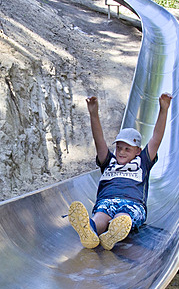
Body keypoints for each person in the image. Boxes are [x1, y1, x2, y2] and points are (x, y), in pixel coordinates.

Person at [69, 93, 172, 250]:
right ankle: (91, 231)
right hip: (107, 200)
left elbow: (156, 138)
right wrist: (93, 113)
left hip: (132, 203)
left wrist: (163, 110)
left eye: (127, 149)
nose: (121, 152)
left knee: (123, 217)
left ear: (138, 151)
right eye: (118, 148)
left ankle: (114, 232)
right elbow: (99, 140)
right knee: (100, 216)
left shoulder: (143, 161)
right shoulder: (109, 161)